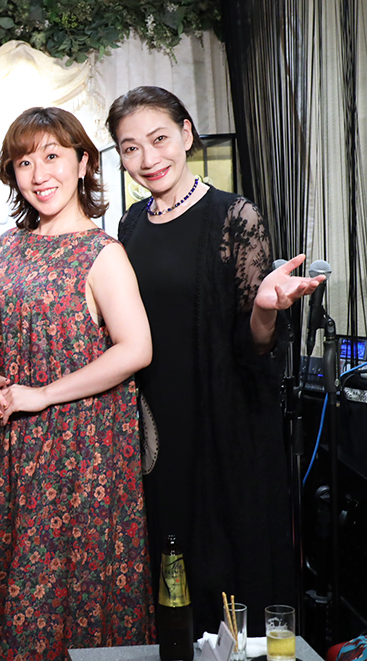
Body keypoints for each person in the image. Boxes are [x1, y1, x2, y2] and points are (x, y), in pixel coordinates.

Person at [106, 86, 321, 635]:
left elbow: (257, 346)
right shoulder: (129, 226)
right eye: (130, 148)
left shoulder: (234, 215)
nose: (148, 158)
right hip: (156, 420)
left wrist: (266, 308)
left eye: (159, 138)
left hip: (226, 418)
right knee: (168, 550)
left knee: (229, 553)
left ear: (186, 134)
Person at [0, 106, 154, 661]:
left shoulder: (103, 253)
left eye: (52, 156)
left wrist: (43, 395)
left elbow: (136, 349)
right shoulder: (9, 244)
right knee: (18, 582)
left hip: (82, 447)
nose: (39, 174)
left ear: (82, 163)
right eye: (24, 162)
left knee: (74, 588)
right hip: (14, 443)